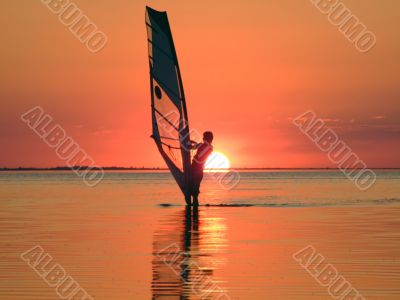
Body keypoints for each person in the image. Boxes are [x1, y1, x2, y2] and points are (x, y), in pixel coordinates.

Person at [187, 131, 214, 206]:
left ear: (208, 139)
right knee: (194, 186)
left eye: (204, 137)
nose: (202, 138)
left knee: (195, 187)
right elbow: (197, 146)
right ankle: (194, 204)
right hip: (197, 169)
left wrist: (191, 143)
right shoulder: (207, 146)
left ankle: (195, 204)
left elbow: (193, 147)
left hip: (197, 169)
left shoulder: (208, 147)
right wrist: (192, 142)